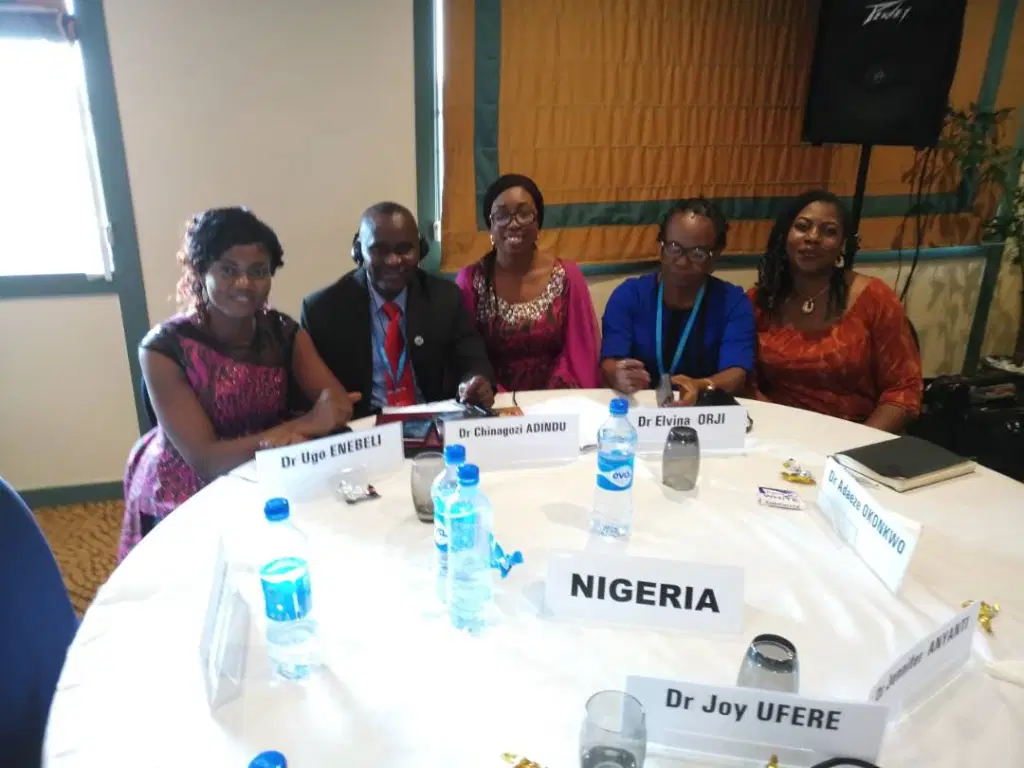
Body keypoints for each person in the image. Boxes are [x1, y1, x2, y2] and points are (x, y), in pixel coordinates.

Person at [121, 207, 357, 560]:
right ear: (201, 271)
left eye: (258, 272)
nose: (245, 284)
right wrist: (305, 424)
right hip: (186, 486)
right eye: (228, 270)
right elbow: (206, 458)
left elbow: (336, 403)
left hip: (267, 467)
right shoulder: (163, 348)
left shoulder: (283, 331)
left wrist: (317, 419)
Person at [301, 202, 495, 419]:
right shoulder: (322, 311)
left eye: (404, 249)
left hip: (432, 420)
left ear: (421, 250)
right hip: (364, 425)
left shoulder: (444, 297)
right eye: (379, 250)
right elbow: (309, 397)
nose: (393, 261)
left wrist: (474, 381)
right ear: (359, 252)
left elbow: (471, 358)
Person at [749, 190, 922, 431]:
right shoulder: (760, 301)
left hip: (857, 434)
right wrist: (778, 429)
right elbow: (746, 381)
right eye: (802, 227)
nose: (813, 237)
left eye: (829, 231)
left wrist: (859, 445)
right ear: (784, 233)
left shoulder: (875, 298)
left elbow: (903, 391)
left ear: (843, 243)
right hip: (776, 432)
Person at [600, 198, 755, 405]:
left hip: (704, 410)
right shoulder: (629, 295)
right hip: (638, 409)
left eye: (697, 253)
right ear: (661, 248)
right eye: (674, 248)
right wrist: (617, 374)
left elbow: (736, 374)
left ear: (715, 256)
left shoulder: (733, 303)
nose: (682, 262)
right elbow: (610, 361)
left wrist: (701, 386)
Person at [455, 174, 601, 391]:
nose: (513, 224)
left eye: (524, 214)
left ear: (538, 221)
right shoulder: (471, 281)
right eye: (502, 215)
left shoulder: (567, 276)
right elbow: (465, 356)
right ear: (490, 225)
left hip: (559, 400)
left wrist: (553, 397)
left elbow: (582, 353)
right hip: (493, 400)